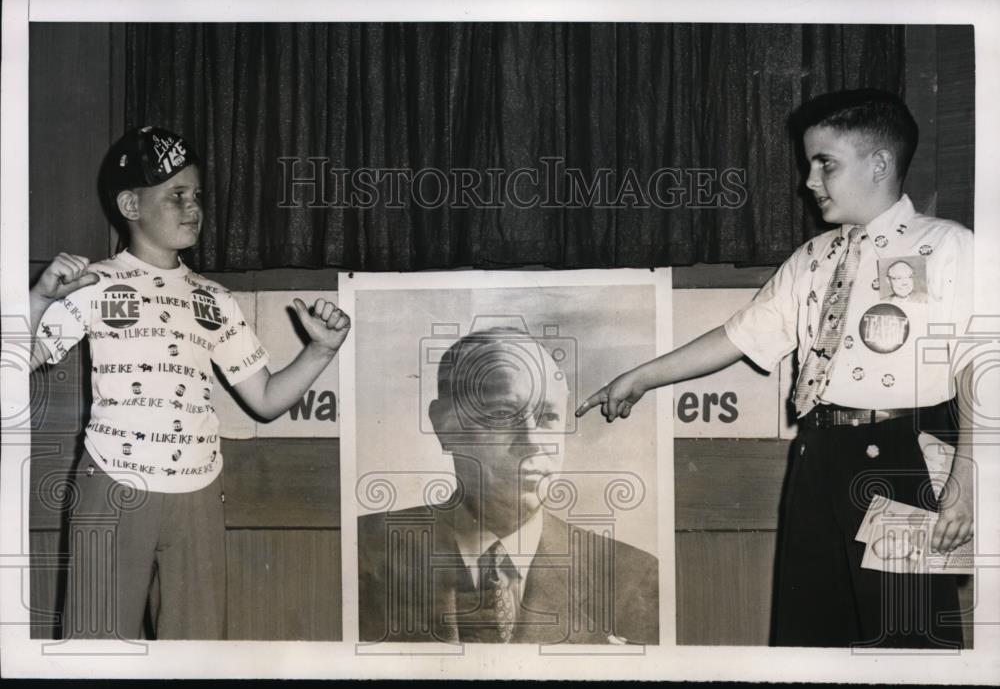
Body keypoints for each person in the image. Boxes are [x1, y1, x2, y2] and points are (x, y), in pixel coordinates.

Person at [576, 89, 973, 648]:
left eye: (825, 163)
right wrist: (640, 377)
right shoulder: (813, 259)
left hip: (904, 462)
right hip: (816, 459)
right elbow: (739, 335)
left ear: (880, 163)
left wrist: (970, 479)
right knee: (810, 640)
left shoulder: (950, 247)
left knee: (908, 642)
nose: (809, 181)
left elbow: (985, 373)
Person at [29, 126, 351, 640]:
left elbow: (265, 400)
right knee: (94, 654)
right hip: (115, 485)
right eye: (175, 195)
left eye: (197, 195)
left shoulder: (215, 299)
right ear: (131, 204)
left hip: (198, 490)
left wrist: (321, 351)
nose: (193, 207)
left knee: (198, 655)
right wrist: (39, 302)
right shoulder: (93, 282)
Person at [357, 327, 659, 645]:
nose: (532, 442)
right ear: (445, 425)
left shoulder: (632, 579)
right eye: (502, 414)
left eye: (548, 417)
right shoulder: (361, 554)